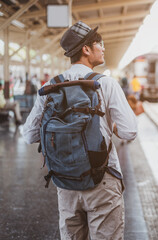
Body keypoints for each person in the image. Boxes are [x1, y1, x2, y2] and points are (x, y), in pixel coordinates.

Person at [21, 21, 137, 239]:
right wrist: (109, 125)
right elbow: (129, 131)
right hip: (102, 180)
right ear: (86, 49)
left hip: (65, 183)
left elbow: (29, 135)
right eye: (99, 44)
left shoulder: (50, 87)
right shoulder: (106, 84)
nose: (103, 48)